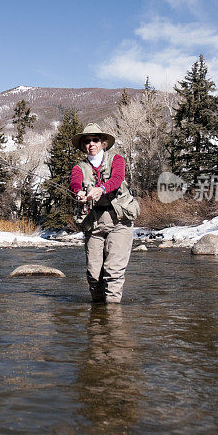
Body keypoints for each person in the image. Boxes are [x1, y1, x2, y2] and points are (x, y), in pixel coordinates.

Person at [69, 123, 134, 304]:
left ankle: (113, 318)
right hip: (94, 223)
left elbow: (117, 178)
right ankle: (97, 321)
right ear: (83, 145)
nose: (92, 144)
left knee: (113, 272)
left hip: (120, 221)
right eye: (87, 141)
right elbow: (74, 184)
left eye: (95, 140)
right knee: (93, 274)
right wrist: (79, 193)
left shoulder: (116, 159)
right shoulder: (78, 167)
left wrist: (101, 189)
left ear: (103, 142)